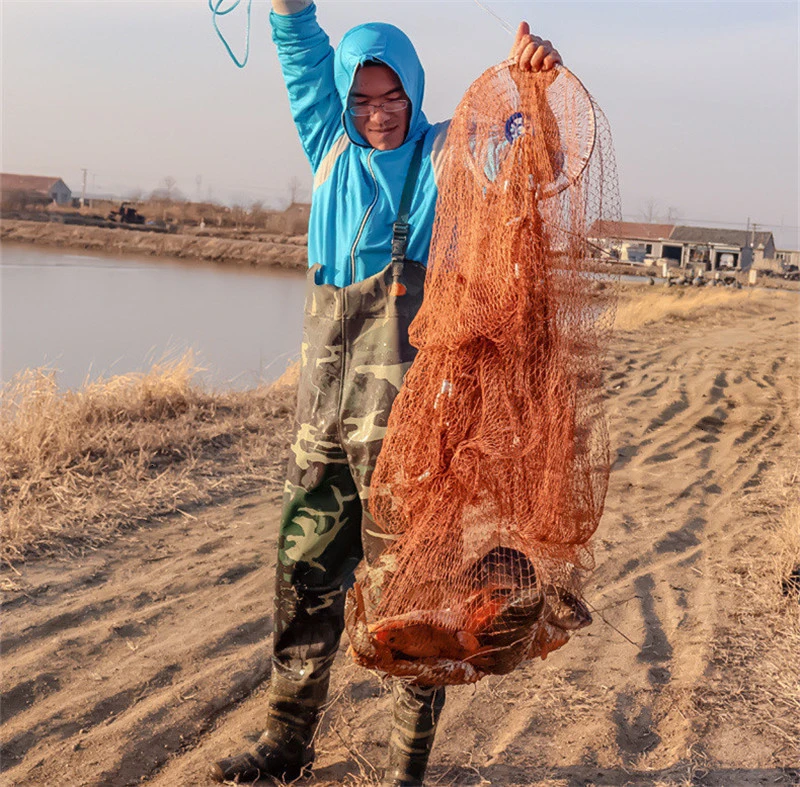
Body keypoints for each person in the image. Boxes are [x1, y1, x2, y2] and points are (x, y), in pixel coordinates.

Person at [210, 3, 561, 785]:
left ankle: (404, 769)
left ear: (415, 95)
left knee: (417, 606)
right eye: (362, 98)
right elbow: (295, 37)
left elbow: (531, 162)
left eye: (391, 98)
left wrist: (534, 90)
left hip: (413, 439)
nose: (376, 114)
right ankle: (283, 744)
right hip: (320, 432)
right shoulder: (329, 147)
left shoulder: (448, 157)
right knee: (301, 582)